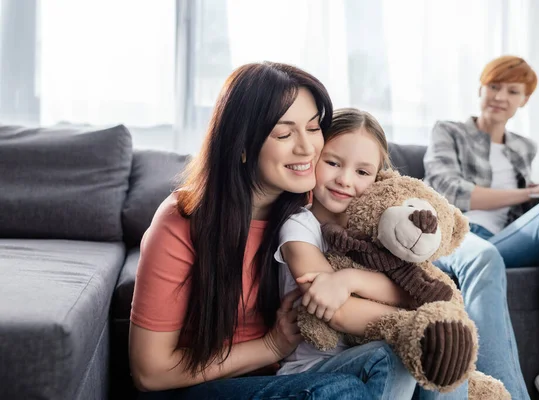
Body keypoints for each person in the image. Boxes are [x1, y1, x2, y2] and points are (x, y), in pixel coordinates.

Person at [128, 62, 375, 399]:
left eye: (314, 127)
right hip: (197, 388)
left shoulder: (313, 200)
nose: (307, 148)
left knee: (408, 358)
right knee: (339, 391)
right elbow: (150, 371)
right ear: (242, 145)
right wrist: (270, 346)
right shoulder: (182, 221)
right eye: (285, 134)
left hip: (286, 377)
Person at [424, 55, 539, 400]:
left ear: (525, 100)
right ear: (480, 88)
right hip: (460, 236)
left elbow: (522, 204)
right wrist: (533, 191)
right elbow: (448, 190)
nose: (501, 96)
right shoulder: (449, 130)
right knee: (484, 252)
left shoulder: (523, 147)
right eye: (494, 86)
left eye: (513, 90)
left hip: (503, 239)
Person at [274, 107, 460, 400]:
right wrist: (418, 320)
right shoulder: (299, 226)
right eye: (333, 163)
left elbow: (418, 288)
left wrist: (350, 280)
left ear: (377, 178)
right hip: (314, 368)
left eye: (362, 172)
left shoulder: (381, 228)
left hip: (366, 352)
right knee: (405, 349)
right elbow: (337, 311)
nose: (345, 180)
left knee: (445, 353)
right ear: (314, 158)